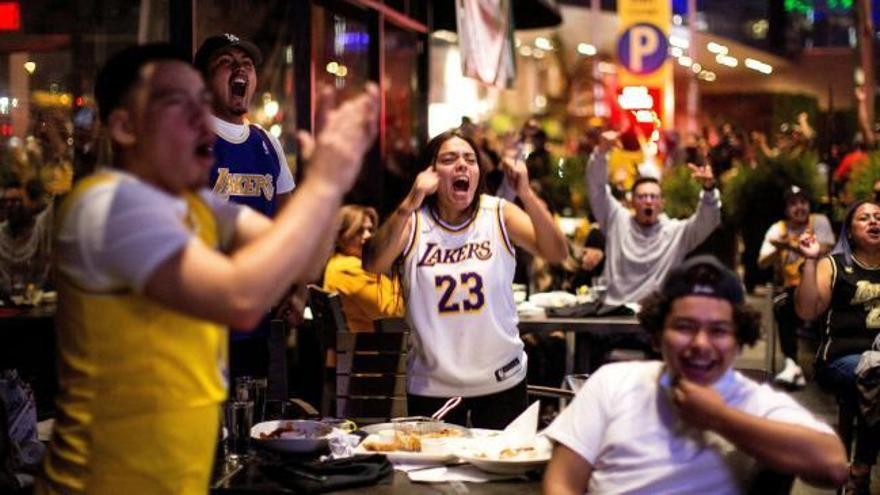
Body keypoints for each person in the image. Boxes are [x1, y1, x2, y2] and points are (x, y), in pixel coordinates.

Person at [36, 43, 379, 494]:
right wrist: (326, 183)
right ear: (124, 126)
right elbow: (240, 299)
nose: (203, 119)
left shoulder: (196, 206)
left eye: (202, 100)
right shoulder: (109, 203)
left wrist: (327, 185)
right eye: (179, 104)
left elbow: (302, 255)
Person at [543, 255, 848, 494]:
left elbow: (833, 466)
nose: (701, 344)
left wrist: (718, 417)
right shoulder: (612, 382)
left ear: (739, 340)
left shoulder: (754, 400)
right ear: (657, 334)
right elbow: (562, 483)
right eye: (685, 327)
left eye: (718, 330)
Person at [363, 128, 567, 429]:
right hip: (434, 385)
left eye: (470, 159)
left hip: (502, 378)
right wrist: (410, 202)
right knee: (435, 474)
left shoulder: (497, 213)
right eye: (449, 159)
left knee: (503, 470)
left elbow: (556, 252)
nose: (462, 165)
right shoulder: (414, 220)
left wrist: (525, 192)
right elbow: (373, 263)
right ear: (430, 173)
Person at [194, 33, 298, 381]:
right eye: (226, 62)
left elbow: (288, 225)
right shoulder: (189, 139)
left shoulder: (267, 142)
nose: (240, 69)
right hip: (202, 322)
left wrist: (294, 288)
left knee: (252, 420)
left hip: (256, 321)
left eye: (247, 64)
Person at [795, 200, 880, 494]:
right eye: (864, 218)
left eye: (878, 217)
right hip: (840, 359)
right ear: (850, 231)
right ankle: (861, 469)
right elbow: (807, 311)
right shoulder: (834, 265)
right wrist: (809, 261)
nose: (873, 222)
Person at [586, 131, 721, 307]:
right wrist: (601, 153)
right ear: (631, 202)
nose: (648, 201)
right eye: (642, 197)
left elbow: (708, 221)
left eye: (653, 197)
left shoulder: (676, 232)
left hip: (654, 317)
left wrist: (709, 190)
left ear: (662, 203)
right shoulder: (616, 220)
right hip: (615, 312)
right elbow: (597, 190)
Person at [758, 185, 834, 388]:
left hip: (821, 288)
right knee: (781, 304)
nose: (799, 207)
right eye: (793, 204)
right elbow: (762, 262)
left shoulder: (819, 222)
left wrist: (790, 246)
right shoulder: (778, 229)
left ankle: (827, 363)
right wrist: (778, 249)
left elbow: (828, 249)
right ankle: (792, 363)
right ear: (786, 209)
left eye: (803, 202)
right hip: (791, 291)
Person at [323, 205, 403, 332]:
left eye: (370, 230)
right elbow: (395, 314)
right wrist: (400, 270)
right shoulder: (349, 270)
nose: (367, 236)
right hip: (378, 347)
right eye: (359, 231)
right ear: (339, 237)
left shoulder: (338, 263)